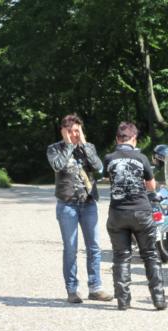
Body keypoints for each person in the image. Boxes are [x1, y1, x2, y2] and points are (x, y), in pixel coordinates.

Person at [46, 114, 113, 304]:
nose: (74, 134)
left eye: (77, 130)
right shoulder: (54, 149)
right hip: (67, 204)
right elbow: (57, 166)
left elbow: (99, 167)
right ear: (63, 131)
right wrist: (68, 145)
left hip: (88, 203)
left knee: (94, 247)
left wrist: (84, 144)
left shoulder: (88, 147)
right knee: (70, 248)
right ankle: (72, 290)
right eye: (70, 131)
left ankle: (95, 288)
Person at [104, 122, 167, 311]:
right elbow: (151, 186)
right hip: (141, 212)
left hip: (118, 213)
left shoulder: (109, 158)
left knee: (121, 256)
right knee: (150, 254)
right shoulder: (141, 158)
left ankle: (123, 301)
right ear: (134, 139)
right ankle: (159, 300)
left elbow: (107, 178)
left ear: (117, 139)